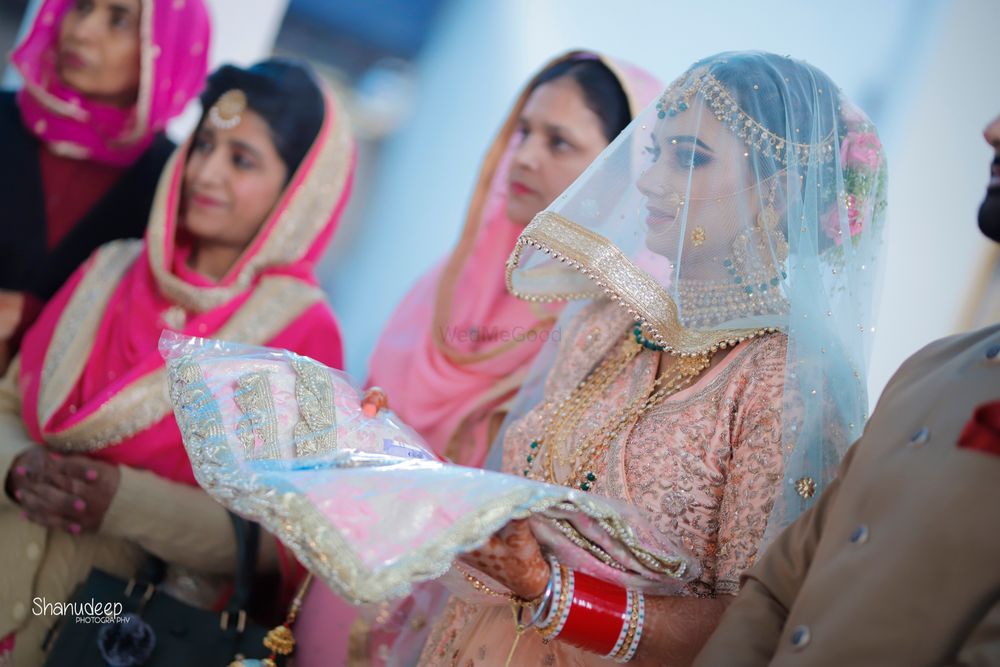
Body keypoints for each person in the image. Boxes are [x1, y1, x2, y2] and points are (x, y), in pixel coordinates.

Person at [418, 51, 888, 666]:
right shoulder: (604, 320)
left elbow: (756, 622)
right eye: (658, 151)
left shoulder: (788, 380)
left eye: (690, 157)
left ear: (776, 195)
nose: (649, 181)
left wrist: (549, 591)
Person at [0, 59, 354, 666]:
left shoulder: (300, 334)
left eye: (241, 159)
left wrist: (122, 500)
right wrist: (18, 467)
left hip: (112, 623)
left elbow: (277, 541)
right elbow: (8, 400)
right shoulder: (111, 269)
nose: (204, 172)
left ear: (299, 191)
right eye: (204, 144)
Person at [692, 113, 1000, 666]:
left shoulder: (793, 375)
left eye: (692, 155)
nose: (991, 130)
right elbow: (778, 586)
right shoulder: (933, 367)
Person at [366, 51, 662, 468]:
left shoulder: (622, 331)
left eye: (558, 142)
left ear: (623, 172)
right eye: (524, 132)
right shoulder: (460, 279)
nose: (523, 156)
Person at [0, 0, 211, 374]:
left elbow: (153, 327)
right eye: (80, 7)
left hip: (63, 416)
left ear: (167, 45)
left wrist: (30, 316)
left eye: (118, 20)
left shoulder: (175, 185)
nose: (81, 32)